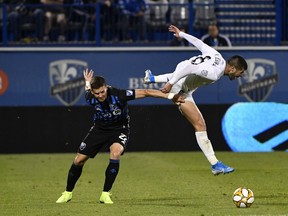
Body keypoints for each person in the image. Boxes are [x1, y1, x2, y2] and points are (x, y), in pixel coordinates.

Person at [56, 68, 184, 204]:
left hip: (119, 129)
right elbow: (87, 89)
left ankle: (105, 194)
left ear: (106, 87)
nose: (100, 95)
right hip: (99, 129)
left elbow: (146, 92)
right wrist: (87, 82)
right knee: (79, 160)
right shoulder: (90, 97)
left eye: (102, 91)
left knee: (115, 153)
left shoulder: (119, 94)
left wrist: (171, 96)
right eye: (97, 93)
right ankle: (67, 193)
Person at [144, 24, 248, 175]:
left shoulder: (217, 56)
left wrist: (182, 34)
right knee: (200, 124)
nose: (240, 76)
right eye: (240, 72)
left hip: (185, 85)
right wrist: (170, 83)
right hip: (179, 88)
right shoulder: (214, 73)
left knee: (199, 121)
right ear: (232, 69)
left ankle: (152, 78)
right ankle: (215, 164)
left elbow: (200, 43)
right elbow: (190, 69)